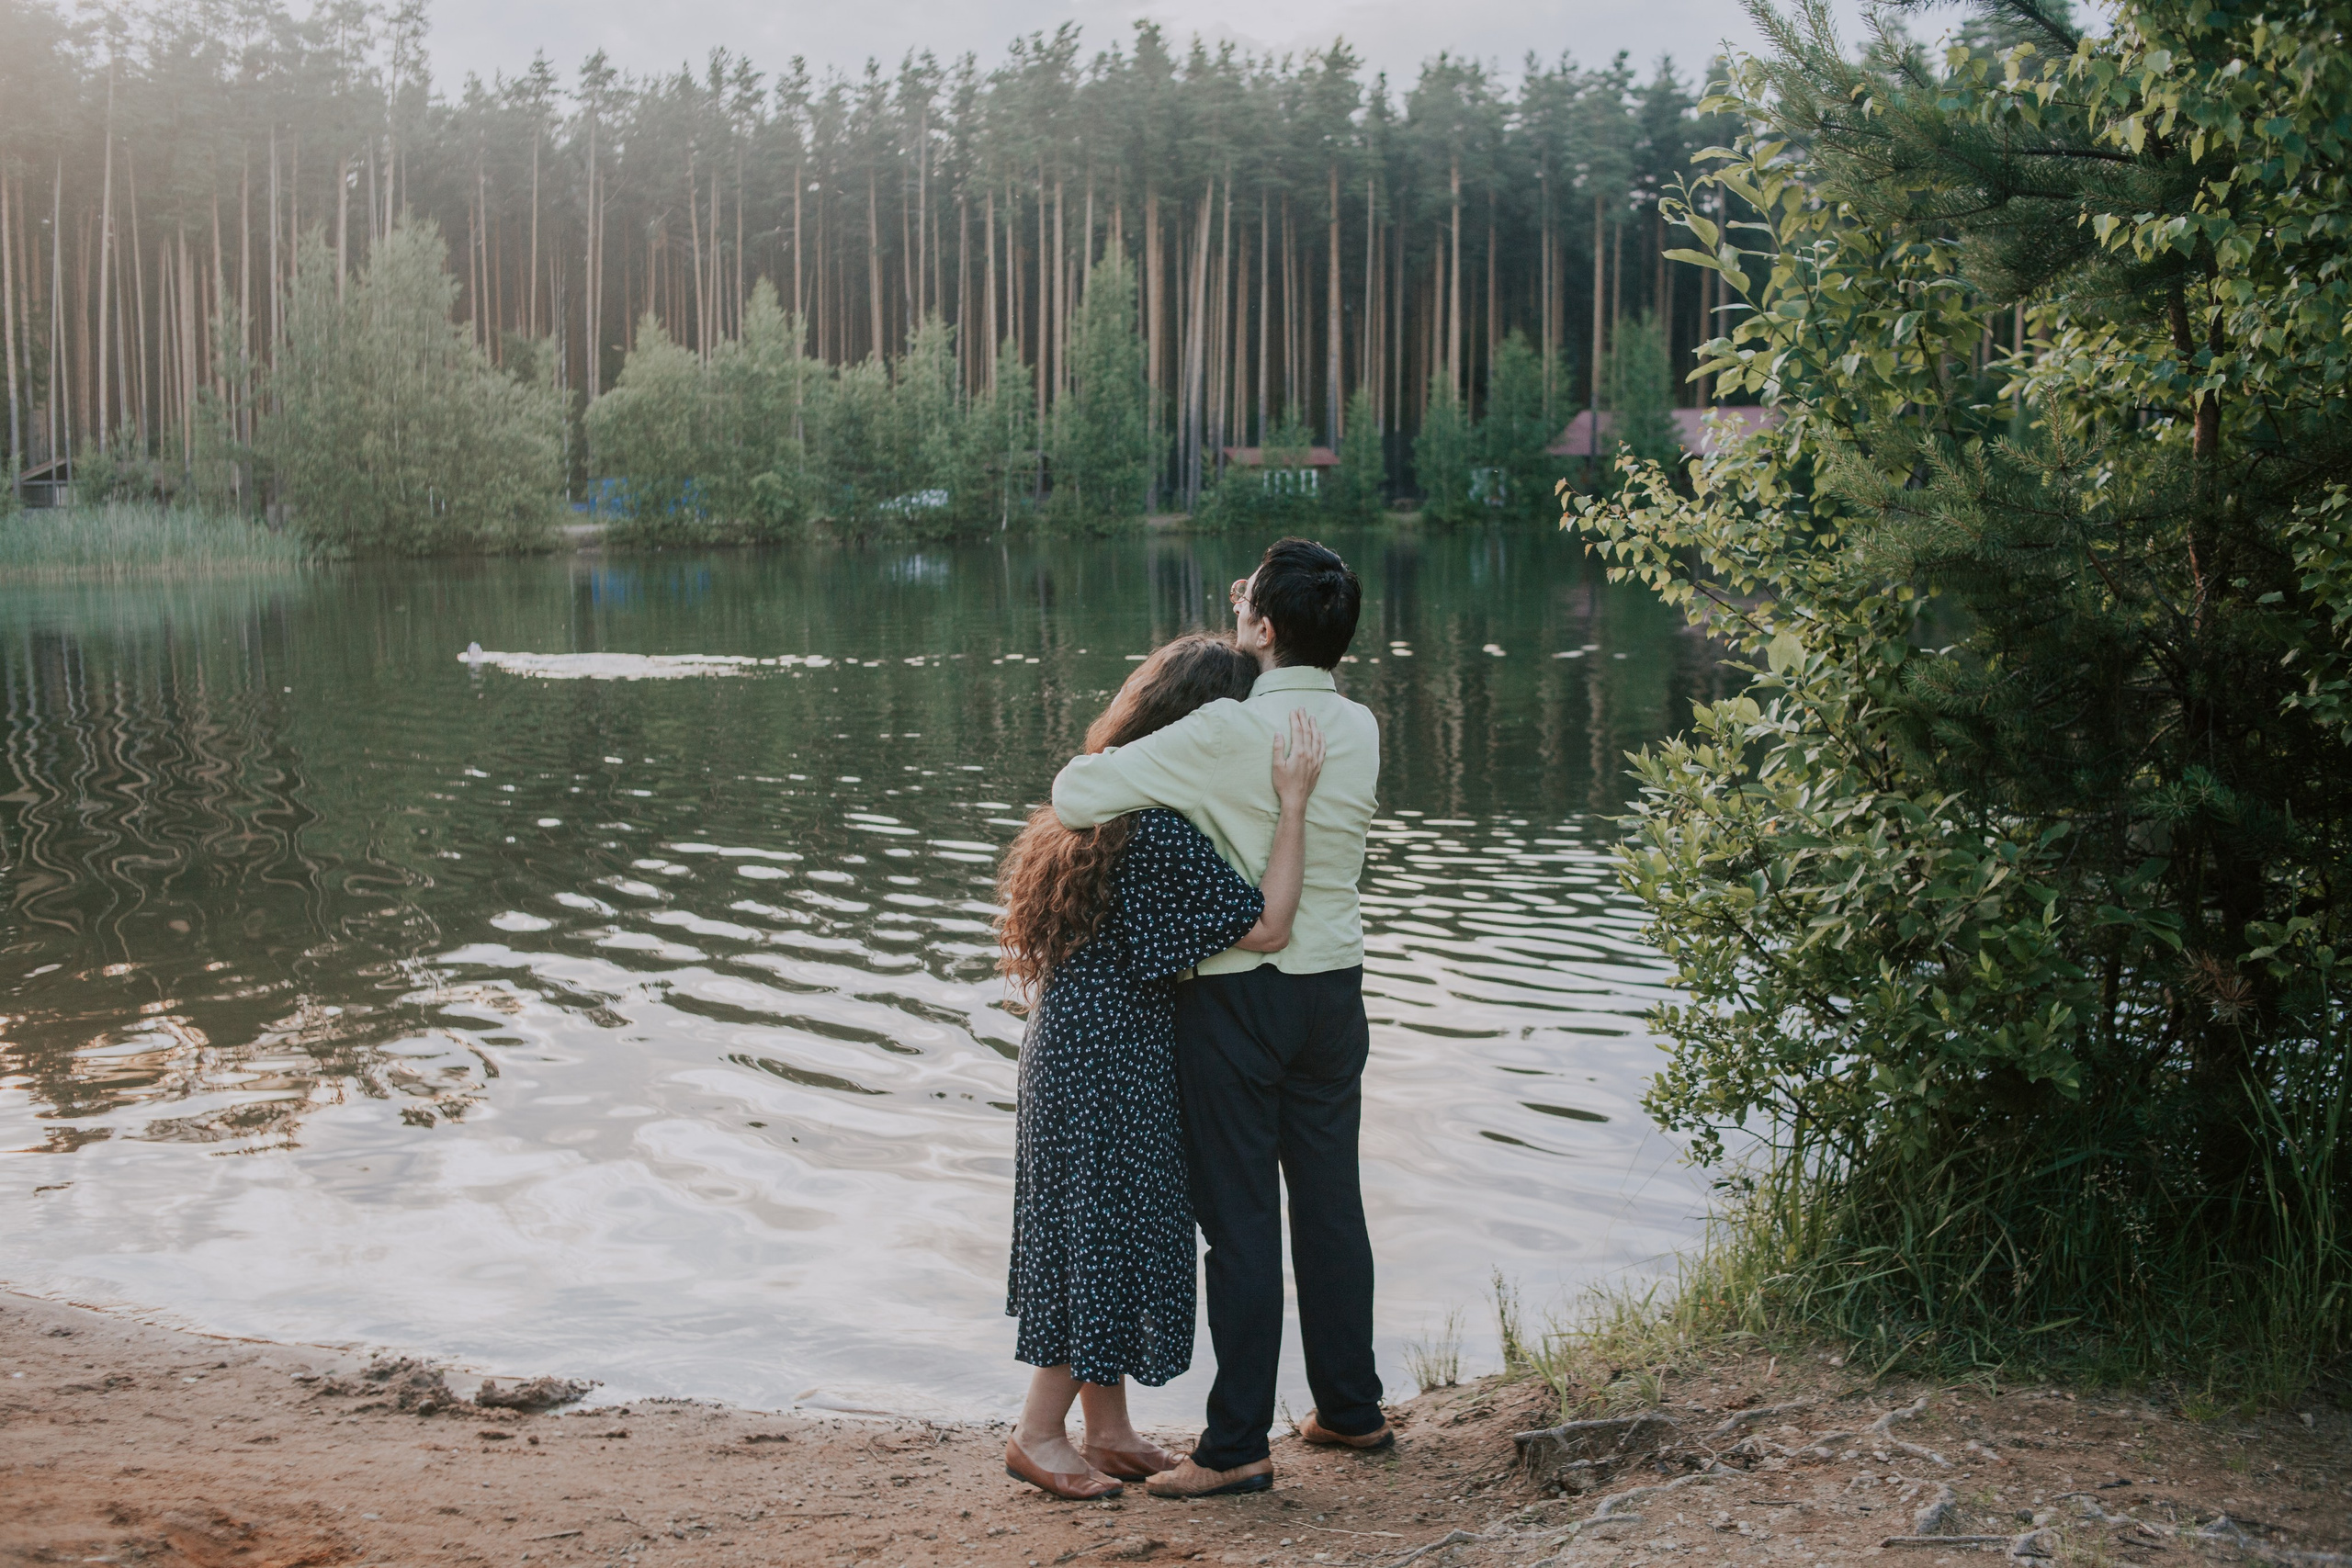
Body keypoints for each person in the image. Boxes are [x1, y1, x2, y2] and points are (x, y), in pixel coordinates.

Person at [1051, 537, 1386, 1500]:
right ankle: (1351, 1410)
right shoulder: (1360, 728)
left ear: (1265, 629)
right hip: (1336, 991)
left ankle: (1235, 1442)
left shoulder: (1223, 733)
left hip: (1240, 993)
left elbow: (1077, 792)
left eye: (1247, 607)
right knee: (1330, 1204)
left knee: (1241, 1223)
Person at [997, 632, 1329, 1501]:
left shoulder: (1102, 809)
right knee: (1104, 1231)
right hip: (1113, 1056)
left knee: (1096, 1223)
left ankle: (1105, 1429)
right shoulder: (1162, 836)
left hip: (1073, 1043)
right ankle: (1038, 1431)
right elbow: (1268, 927)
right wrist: (1293, 803)